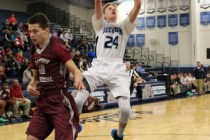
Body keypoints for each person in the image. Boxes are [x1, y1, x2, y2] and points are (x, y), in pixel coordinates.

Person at [74, 1, 141, 140]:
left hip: (117, 68)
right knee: (78, 101)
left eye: (115, 8)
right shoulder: (100, 25)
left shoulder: (124, 26)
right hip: (99, 66)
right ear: (104, 14)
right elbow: (97, 2)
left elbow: (138, 5)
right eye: (109, 8)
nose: (113, 9)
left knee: (125, 110)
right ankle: (75, 125)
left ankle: (119, 135)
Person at [26, 13, 86, 140]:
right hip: (43, 101)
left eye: (35, 31)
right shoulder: (33, 49)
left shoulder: (57, 47)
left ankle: (72, 125)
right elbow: (35, 78)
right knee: (31, 138)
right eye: (30, 31)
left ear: (46, 30)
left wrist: (77, 79)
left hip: (59, 100)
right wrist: (31, 85)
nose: (31, 35)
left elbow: (76, 70)